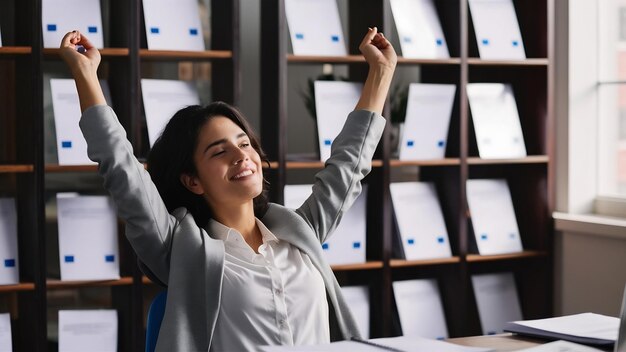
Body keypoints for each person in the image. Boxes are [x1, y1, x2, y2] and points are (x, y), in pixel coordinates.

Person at [59, 27, 396, 352]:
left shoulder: (299, 232)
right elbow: (123, 172)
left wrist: (380, 73)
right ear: (192, 180)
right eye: (220, 151)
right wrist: (87, 75)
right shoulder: (181, 251)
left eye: (245, 143)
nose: (241, 156)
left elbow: (348, 167)